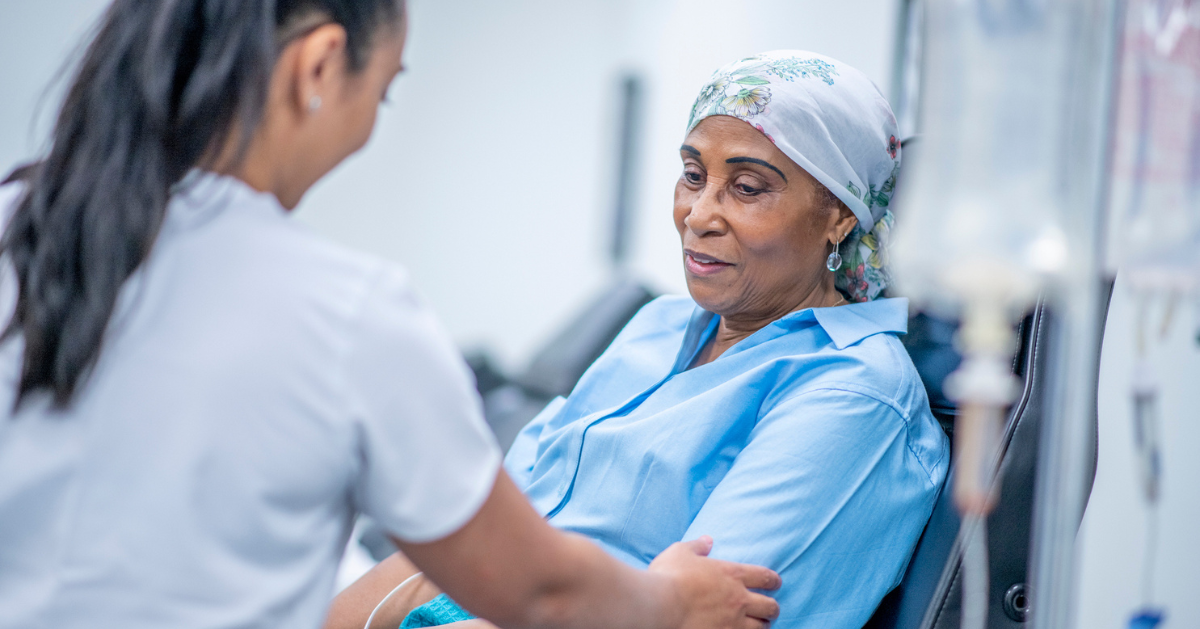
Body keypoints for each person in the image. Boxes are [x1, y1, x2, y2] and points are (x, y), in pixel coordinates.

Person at [0, 1, 783, 628]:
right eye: (382, 91)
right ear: (318, 66)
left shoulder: (14, 218)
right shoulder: (345, 313)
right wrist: (672, 602)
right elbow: (541, 593)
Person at [331, 51, 950, 629]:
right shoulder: (656, 326)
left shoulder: (855, 394)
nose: (699, 214)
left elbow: (704, 614)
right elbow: (481, 539)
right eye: (692, 175)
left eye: (748, 187)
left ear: (840, 214)